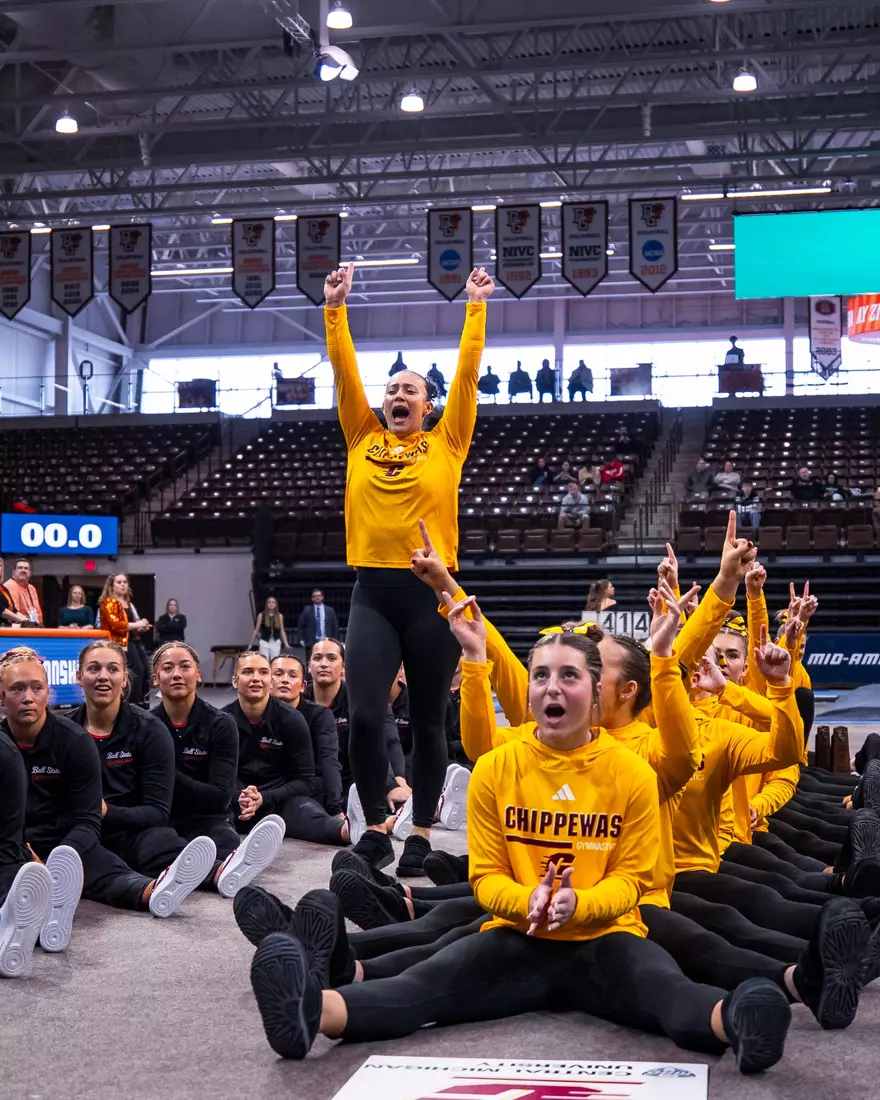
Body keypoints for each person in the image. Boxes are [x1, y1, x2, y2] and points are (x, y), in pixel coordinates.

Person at [249, 628, 793, 1072]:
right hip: (517, 933)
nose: (551, 688)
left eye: (570, 676)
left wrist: (579, 905)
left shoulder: (633, 772)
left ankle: (739, 1020)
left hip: (607, 936)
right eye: (540, 677)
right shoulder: (495, 768)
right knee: (425, 984)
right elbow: (485, 878)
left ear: (597, 691)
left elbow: (633, 880)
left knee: (670, 992)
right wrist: (527, 900)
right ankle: (309, 1010)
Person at [322, 260, 492, 875]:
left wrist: (475, 308)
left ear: (429, 404)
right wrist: (335, 310)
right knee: (364, 714)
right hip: (372, 591)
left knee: (426, 721)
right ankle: (373, 824)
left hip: (431, 597)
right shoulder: (361, 435)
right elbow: (344, 374)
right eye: (392, 389)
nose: (398, 396)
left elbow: (469, 373)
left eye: (410, 390)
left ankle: (420, 831)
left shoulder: (448, 442)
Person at [0, 646, 216, 924]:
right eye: (17, 689)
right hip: (12, 844)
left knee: (110, 866)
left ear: (47, 692)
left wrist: (58, 864)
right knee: (13, 878)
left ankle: (160, 890)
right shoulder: (4, 746)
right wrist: (20, 854)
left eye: (36, 688)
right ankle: (29, 920)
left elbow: (88, 822)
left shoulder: (75, 740)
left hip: (66, 842)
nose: (28, 698)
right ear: (2, 695)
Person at [71, 639, 266, 907]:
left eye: (112, 669)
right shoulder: (66, 731)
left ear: (125, 678)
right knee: (88, 856)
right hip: (93, 828)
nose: (103, 677)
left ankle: (222, 869)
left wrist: (163, 775)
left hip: (174, 820)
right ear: (79, 676)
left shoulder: (153, 728)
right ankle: (154, 890)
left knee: (175, 840)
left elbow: (217, 798)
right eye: (94, 669)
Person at [150, 642, 285, 893]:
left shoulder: (221, 724)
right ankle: (217, 873)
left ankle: (209, 868)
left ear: (198, 674)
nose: (177, 673)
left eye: (185, 666)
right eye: (168, 668)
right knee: (153, 845)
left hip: (207, 818)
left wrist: (166, 774)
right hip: (161, 819)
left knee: (225, 840)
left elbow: (220, 799)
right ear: (156, 678)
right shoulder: (146, 724)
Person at [223, 651, 349, 847]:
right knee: (212, 819)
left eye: (263, 672)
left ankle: (350, 831)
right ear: (235, 681)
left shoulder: (292, 719)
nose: (256, 678)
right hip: (237, 800)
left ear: (269, 680)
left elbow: (305, 781)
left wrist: (264, 798)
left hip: (280, 800)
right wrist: (241, 797)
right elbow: (216, 777)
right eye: (248, 672)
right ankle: (232, 856)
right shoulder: (222, 721)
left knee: (308, 811)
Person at [304, 638, 410, 845]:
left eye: (331, 658)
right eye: (317, 658)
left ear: (343, 666)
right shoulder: (299, 703)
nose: (323, 663)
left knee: (384, 789)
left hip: (355, 774)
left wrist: (396, 781)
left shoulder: (361, 700)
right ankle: (367, 826)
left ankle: (418, 810)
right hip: (319, 778)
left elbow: (386, 742)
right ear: (309, 666)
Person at [269, 652, 344, 818]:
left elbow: (329, 759)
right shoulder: (256, 714)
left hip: (306, 787)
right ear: (268, 681)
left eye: (292, 675)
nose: (285, 680)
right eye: (278, 674)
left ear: (303, 686)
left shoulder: (320, 715)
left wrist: (335, 808)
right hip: (268, 787)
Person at [98, 573, 151, 708]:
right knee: (136, 670)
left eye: (124, 582)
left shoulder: (128, 603)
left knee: (146, 669)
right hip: (120, 643)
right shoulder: (108, 602)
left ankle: (144, 703)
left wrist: (142, 627)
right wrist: (138, 624)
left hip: (133, 640)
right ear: (111, 586)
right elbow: (117, 625)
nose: (123, 585)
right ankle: (132, 704)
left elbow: (131, 624)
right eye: (119, 582)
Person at [296, 589, 338, 658]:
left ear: (322, 597)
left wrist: (335, 640)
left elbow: (335, 627)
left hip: (327, 640)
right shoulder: (307, 610)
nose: (317, 597)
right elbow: (301, 626)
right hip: (311, 641)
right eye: (315, 596)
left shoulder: (330, 610)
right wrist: (301, 639)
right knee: (311, 662)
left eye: (319, 595)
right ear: (312, 598)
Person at [4, 558, 42, 625]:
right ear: (14, 571)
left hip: (34, 626)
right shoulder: (10, 585)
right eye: (20, 568)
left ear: (30, 573)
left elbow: (38, 612)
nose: (23, 570)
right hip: (19, 627)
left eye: (26, 568)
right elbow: (13, 613)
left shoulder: (31, 588)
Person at [250, 596, 288, 662]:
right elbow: (256, 630)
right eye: (269, 602)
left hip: (275, 642)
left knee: (275, 661)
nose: (271, 604)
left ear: (275, 604)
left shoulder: (279, 616)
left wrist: (286, 644)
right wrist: (250, 644)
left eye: (273, 602)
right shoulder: (261, 615)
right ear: (266, 604)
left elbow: (282, 631)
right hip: (264, 641)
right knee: (264, 661)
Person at [0, 561, 28, 627]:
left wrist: (27, 620)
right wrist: (22, 620)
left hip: (8, 626)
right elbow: (1, 610)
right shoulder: (10, 584)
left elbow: (14, 610)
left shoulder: (3, 588)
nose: (0, 569)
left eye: (0, 566)